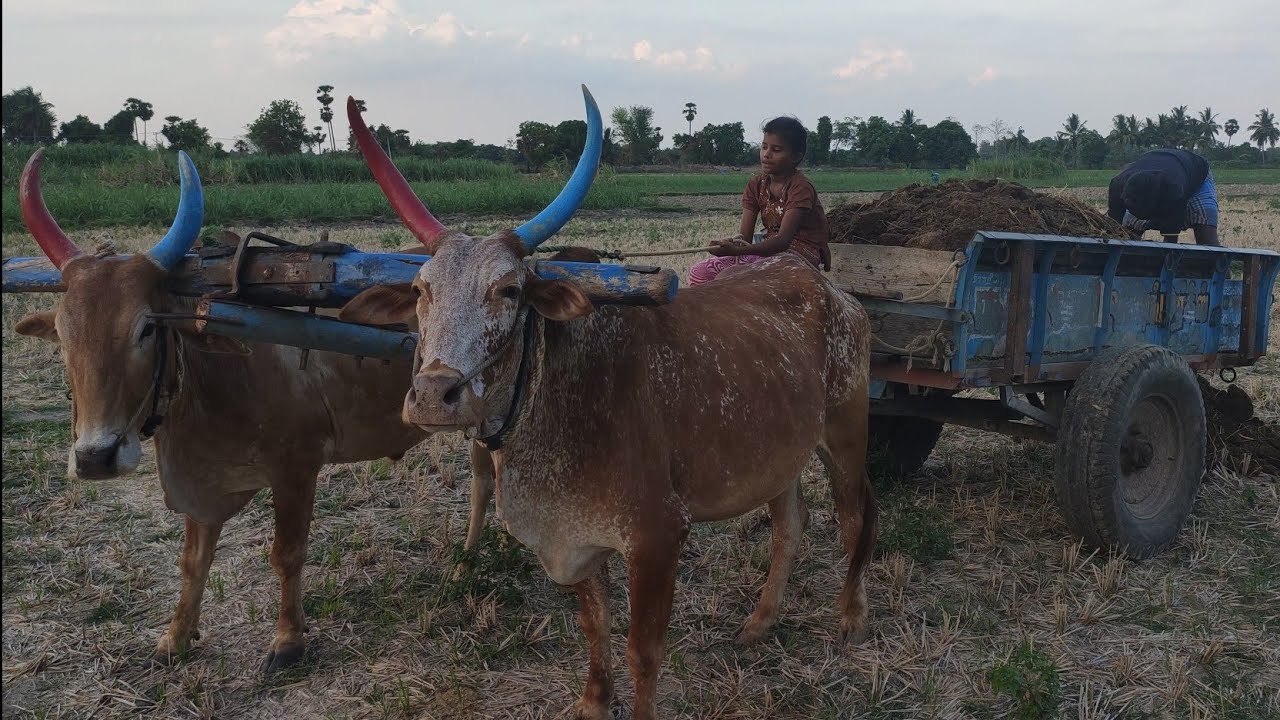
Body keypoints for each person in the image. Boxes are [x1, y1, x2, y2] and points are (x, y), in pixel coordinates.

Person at [688, 117, 831, 285]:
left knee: (729, 277)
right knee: (700, 271)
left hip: (800, 255)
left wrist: (735, 251)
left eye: (776, 150)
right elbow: (745, 238)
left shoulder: (800, 187)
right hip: (768, 252)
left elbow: (783, 241)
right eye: (764, 147)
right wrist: (729, 244)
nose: (766, 154)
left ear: (796, 156)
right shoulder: (756, 185)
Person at [1107, 148, 1220, 246]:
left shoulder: (1174, 192)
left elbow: (1171, 240)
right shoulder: (1117, 187)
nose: (1133, 212)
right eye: (1131, 208)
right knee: (1128, 235)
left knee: (1207, 239)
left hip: (1196, 174)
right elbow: (1113, 229)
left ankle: (1220, 268)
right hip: (1159, 166)